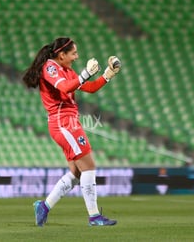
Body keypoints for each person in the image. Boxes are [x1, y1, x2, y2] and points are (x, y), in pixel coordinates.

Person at [22, 37, 121, 227]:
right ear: (61, 55)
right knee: (89, 166)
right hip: (63, 123)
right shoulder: (50, 68)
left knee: (76, 173)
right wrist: (85, 73)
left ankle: (44, 206)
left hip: (68, 122)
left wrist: (107, 75)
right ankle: (94, 217)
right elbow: (65, 87)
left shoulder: (66, 70)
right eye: (73, 53)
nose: (76, 57)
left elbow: (89, 88)